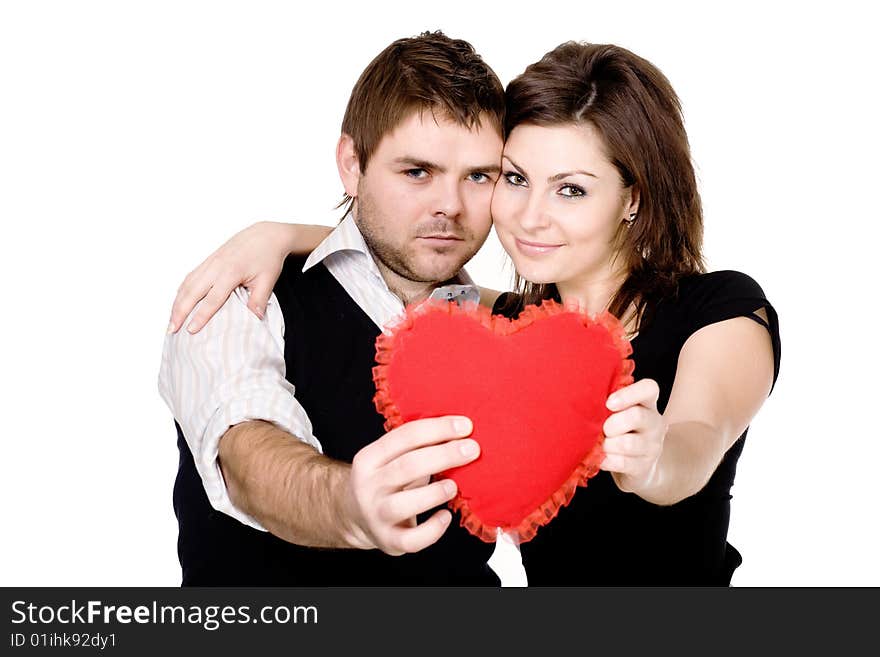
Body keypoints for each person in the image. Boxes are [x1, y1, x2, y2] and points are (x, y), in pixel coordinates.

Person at [167, 42, 781, 585]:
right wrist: (279, 234)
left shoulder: (719, 311)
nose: (529, 216)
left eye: (571, 188)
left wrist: (653, 461)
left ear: (633, 198)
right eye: (515, 179)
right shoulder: (505, 321)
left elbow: (697, 443)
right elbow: (396, 262)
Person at [159, 30, 509, 585]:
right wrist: (352, 504)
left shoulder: (505, 325)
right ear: (351, 163)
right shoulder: (243, 294)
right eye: (417, 172)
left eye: (479, 177)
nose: (450, 206)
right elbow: (248, 457)